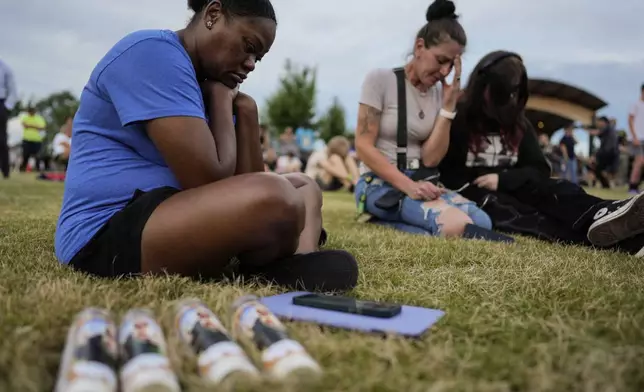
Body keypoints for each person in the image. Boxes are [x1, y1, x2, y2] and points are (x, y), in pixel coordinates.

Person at [55, 0, 358, 292]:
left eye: (259, 57)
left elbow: (248, 182)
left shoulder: (210, 80)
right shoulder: (153, 53)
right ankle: (283, 262)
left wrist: (248, 112)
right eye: (249, 47)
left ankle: (295, 264)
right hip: (109, 228)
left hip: (173, 209)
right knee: (279, 196)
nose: (251, 64)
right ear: (213, 14)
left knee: (304, 186)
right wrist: (222, 101)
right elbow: (207, 180)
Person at [438, 50, 644, 255]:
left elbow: (539, 169)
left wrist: (503, 178)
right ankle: (624, 244)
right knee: (524, 216)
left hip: (517, 185)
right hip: (479, 194)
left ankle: (605, 213)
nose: (508, 101)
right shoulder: (459, 120)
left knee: (558, 190)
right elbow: (447, 172)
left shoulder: (519, 125)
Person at [354, 0, 492, 237]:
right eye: (441, 60)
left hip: (423, 180)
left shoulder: (440, 94)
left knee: (482, 222)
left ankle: (396, 225)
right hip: (379, 183)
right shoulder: (380, 79)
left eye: (452, 64)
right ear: (419, 47)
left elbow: (430, 158)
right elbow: (363, 146)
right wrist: (409, 186)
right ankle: (403, 224)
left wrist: (448, 108)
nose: (445, 72)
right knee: (454, 226)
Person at [586, 116, 619, 189]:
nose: (598, 124)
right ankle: (605, 185)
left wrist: (587, 130)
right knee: (599, 168)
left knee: (591, 163)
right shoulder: (610, 130)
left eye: (599, 122)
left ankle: (595, 182)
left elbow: (597, 132)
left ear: (603, 122)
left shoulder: (607, 127)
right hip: (611, 153)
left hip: (606, 152)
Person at [0, 59, 18, 179]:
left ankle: (5, 171)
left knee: (1, 139)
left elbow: (12, 91)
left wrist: (6, 107)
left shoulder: (5, 68)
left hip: (1, 103)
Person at [628, 83, 644, 194]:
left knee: (640, 162)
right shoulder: (636, 104)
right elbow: (630, 120)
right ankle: (632, 187)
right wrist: (634, 137)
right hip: (637, 138)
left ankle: (636, 185)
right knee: (639, 162)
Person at [20, 106, 46, 172]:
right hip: (27, 140)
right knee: (25, 155)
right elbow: (24, 125)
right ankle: (23, 169)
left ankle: (38, 170)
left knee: (38, 156)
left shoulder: (39, 118)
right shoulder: (25, 117)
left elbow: (42, 127)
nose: (31, 112)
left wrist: (30, 126)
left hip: (37, 140)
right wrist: (36, 126)